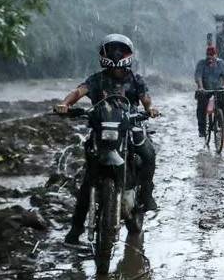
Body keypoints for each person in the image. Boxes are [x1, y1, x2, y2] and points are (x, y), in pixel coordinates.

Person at [55, 34, 160, 245]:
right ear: (104, 54)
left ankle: (146, 195)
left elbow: (146, 99)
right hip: (101, 132)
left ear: (127, 55)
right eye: (112, 51)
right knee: (88, 180)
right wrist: (64, 103)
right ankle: (75, 230)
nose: (116, 56)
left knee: (148, 154)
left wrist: (150, 109)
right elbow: (78, 91)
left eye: (119, 51)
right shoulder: (96, 79)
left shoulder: (135, 79)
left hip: (130, 128)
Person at [195, 46, 224, 137]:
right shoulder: (201, 64)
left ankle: (221, 121)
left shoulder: (221, 63)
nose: (210, 58)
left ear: (216, 55)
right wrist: (201, 87)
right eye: (208, 56)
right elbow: (198, 77)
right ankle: (202, 130)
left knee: (223, 101)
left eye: (212, 55)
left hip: (218, 88)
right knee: (201, 107)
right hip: (205, 89)